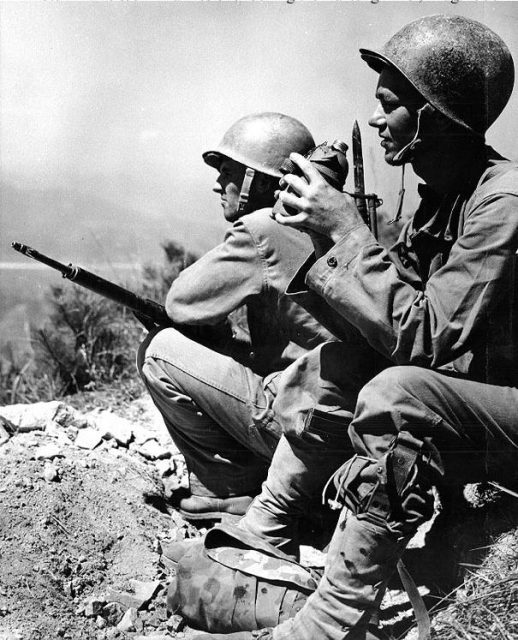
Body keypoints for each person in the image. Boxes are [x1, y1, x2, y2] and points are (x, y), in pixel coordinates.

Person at [190, 14, 518, 640]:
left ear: (437, 115)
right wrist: (325, 228)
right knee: (342, 364)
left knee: (400, 394)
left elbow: (428, 338)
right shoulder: (447, 196)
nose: (376, 120)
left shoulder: (503, 201)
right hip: (487, 413)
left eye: (391, 105)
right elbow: (390, 317)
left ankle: (331, 622)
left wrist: (345, 231)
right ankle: (271, 525)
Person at [138, 112, 338, 521]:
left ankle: (229, 488)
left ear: (259, 182)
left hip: (304, 425)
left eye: (227, 170)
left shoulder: (263, 227)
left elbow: (181, 303)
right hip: (340, 420)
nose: (217, 183)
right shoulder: (326, 225)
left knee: (159, 350)